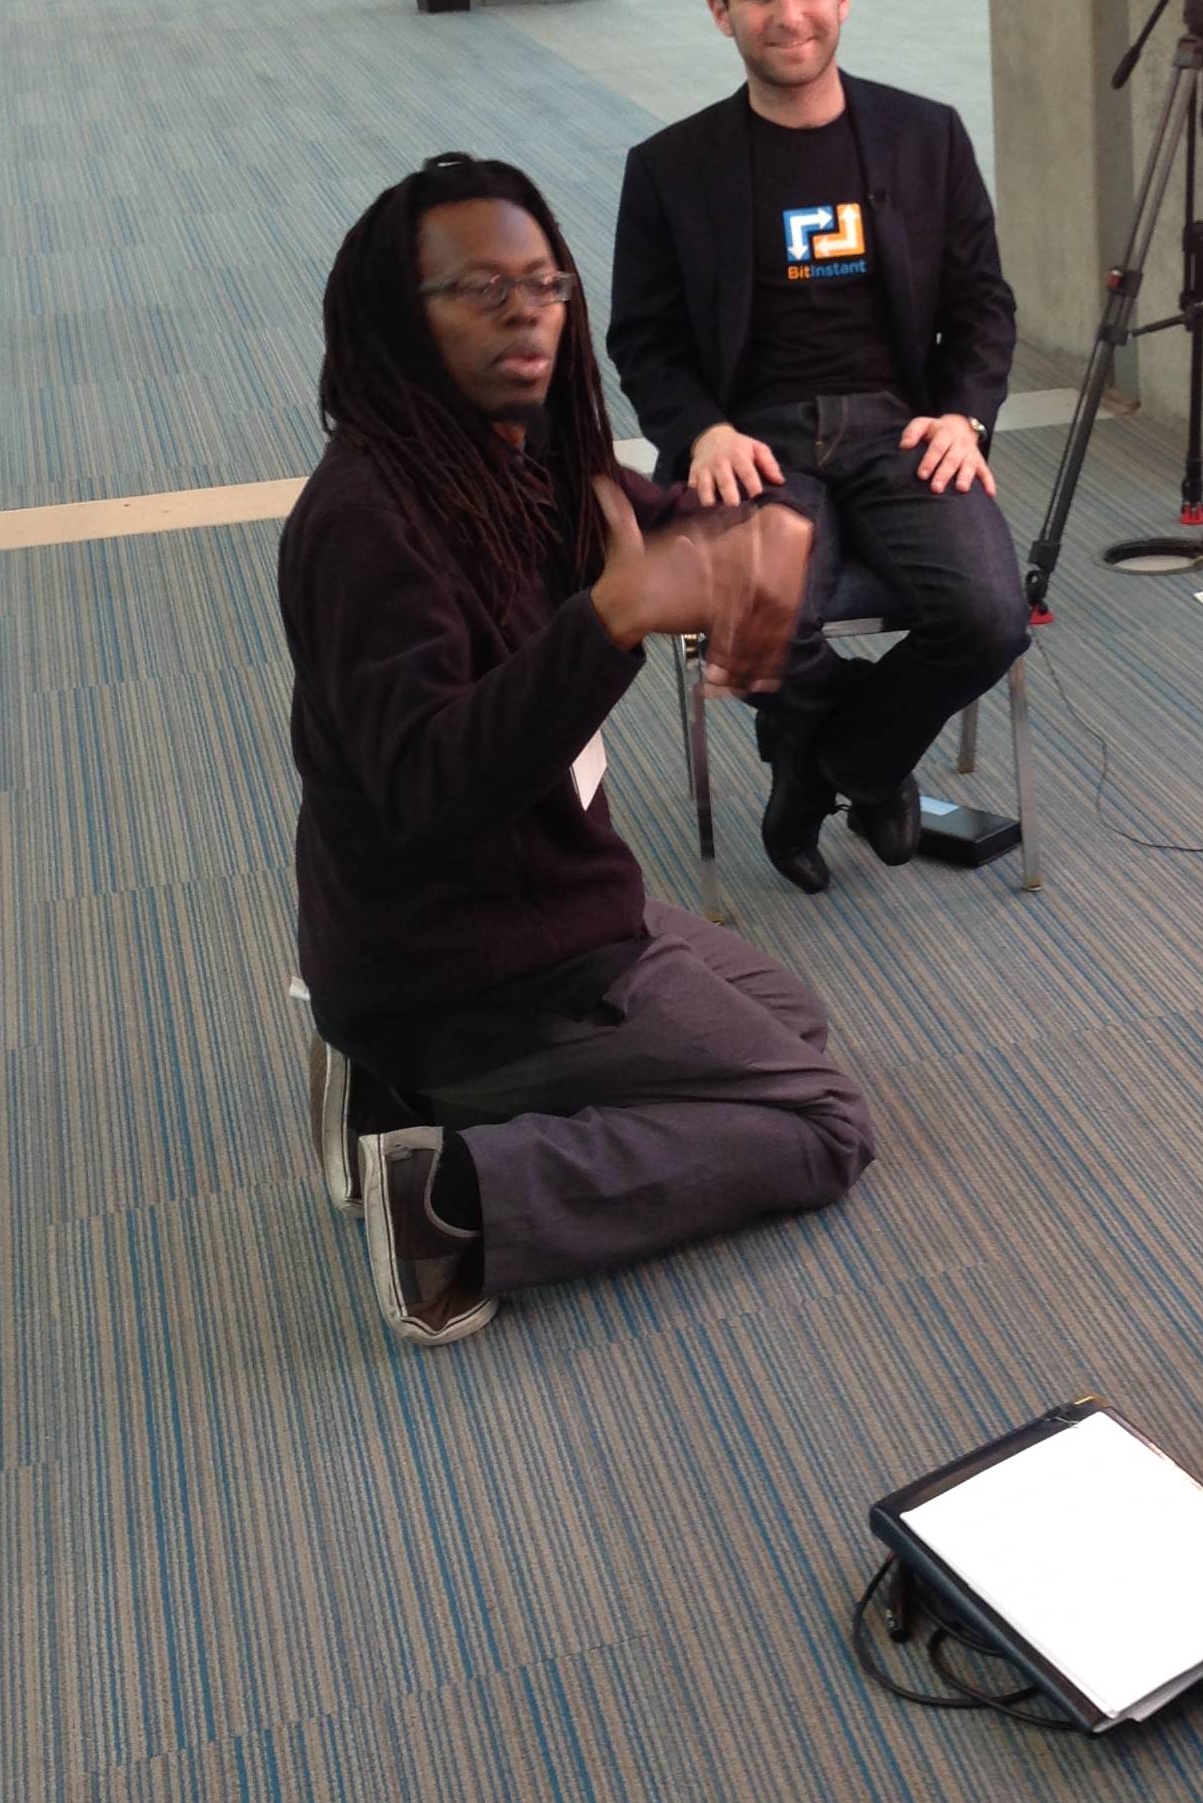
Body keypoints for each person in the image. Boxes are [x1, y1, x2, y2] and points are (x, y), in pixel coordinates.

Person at [281, 150, 874, 1347]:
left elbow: (661, 525)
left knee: (789, 1020)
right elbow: (431, 791)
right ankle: (453, 1200)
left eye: (546, 282)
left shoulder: (521, 455)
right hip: (468, 967)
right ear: (400, 316)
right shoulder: (365, 524)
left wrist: (752, 541)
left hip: (552, 903)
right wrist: (613, 618)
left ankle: (397, 1095)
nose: (529, 313)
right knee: (821, 1124)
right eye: (481, 289)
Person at [608, 0, 1028, 894]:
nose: (786, 13)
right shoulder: (670, 169)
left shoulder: (926, 137)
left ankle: (830, 763)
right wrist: (700, 430)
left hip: (903, 425)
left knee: (988, 617)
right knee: (753, 630)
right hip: (751, 437)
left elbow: (983, 304)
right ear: (722, 12)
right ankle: (857, 752)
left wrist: (967, 414)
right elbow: (644, 339)